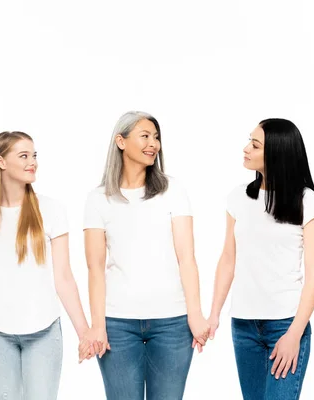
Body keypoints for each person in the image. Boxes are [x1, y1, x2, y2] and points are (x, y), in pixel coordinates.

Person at [82, 111, 210, 399]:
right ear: (121, 141)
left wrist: (196, 314)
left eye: (156, 137)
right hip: (117, 323)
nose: (154, 143)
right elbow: (95, 268)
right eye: (145, 136)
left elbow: (187, 258)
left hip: (172, 322)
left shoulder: (173, 191)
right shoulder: (98, 198)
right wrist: (97, 326)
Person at [0, 131, 95, 399]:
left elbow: (64, 278)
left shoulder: (51, 210)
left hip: (43, 332)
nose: (32, 162)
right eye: (23, 156)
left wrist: (85, 332)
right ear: (0, 161)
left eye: (34, 155)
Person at [208, 118, 314, 399]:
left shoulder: (307, 202)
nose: (246, 148)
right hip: (244, 325)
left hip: (285, 324)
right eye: (249, 140)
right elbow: (228, 259)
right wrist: (214, 313)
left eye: (255, 144)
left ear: (277, 152)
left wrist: (294, 334)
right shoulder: (237, 198)